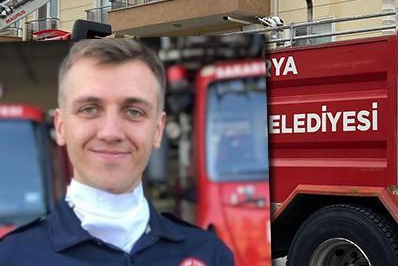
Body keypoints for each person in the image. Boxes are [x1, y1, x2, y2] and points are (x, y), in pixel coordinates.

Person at [0, 39, 234, 264]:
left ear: (158, 130)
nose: (110, 133)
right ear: (61, 127)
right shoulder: (11, 257)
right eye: (89, 109)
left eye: (133, 112)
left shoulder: (210, 255)